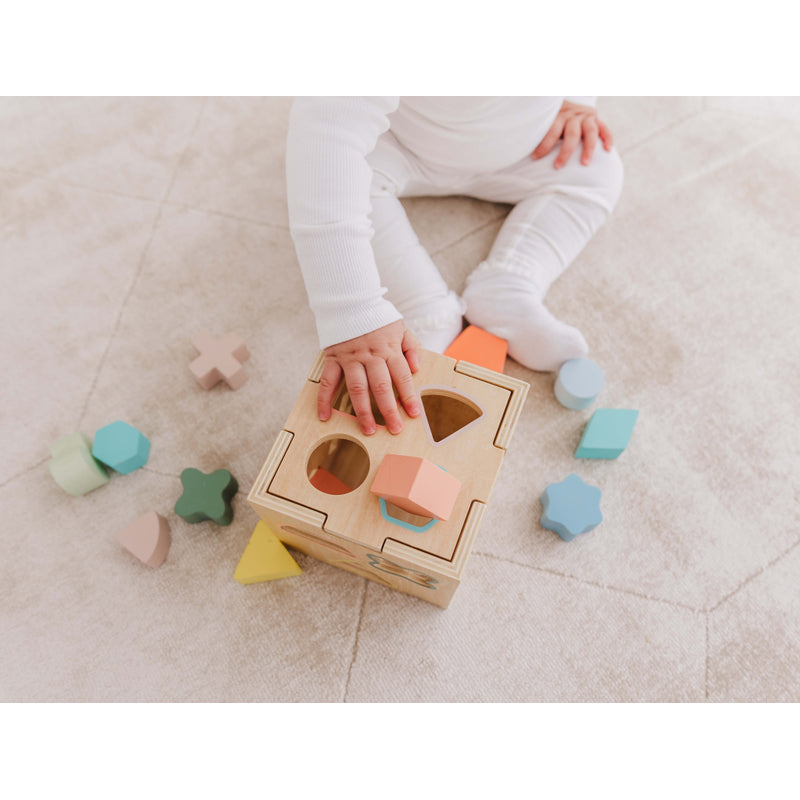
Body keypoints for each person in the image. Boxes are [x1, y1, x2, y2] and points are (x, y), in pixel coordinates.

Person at [286, 97, 623, 436]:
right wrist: (353, 312)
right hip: (400, 146)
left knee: (598, 166)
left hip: (523, 148)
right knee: (331, 183)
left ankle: (509, 283)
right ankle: (424, 306)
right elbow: (325, 141)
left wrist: (578, 100)